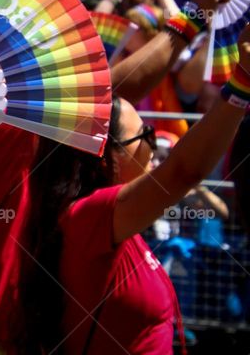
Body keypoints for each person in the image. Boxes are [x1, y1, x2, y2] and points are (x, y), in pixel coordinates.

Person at [19, 24, 250, 354]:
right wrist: (242, 81)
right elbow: (184, 172)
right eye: (146, 136)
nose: (154, 146)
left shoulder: (112, 220)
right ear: (106, 160)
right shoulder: (86, 216)